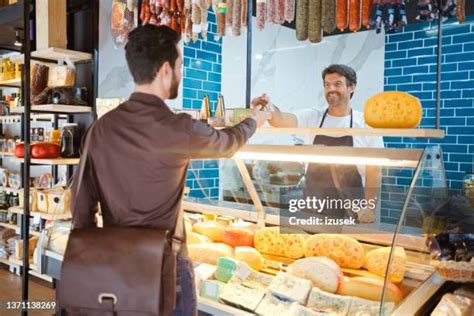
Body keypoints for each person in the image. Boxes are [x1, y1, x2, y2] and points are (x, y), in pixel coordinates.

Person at [71, 25, 270, 315]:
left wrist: (98, 263)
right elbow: (227, 143)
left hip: (117, 262)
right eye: (180, 65)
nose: (182, 72)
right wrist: (255, 121)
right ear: (165, 70)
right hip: (167, 267)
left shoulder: (99, 129)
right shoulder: (179, 128)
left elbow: (81, 207)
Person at [251, 64, 383, 223]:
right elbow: (281, 120)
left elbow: (374, 171)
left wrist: (368, 207)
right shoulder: (313, 118)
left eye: (337, 84)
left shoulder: (365, 125)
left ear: (352, 87)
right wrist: (268, 107)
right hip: (314, 208)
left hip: (352, 210)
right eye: (327, 85)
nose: (331, 89)